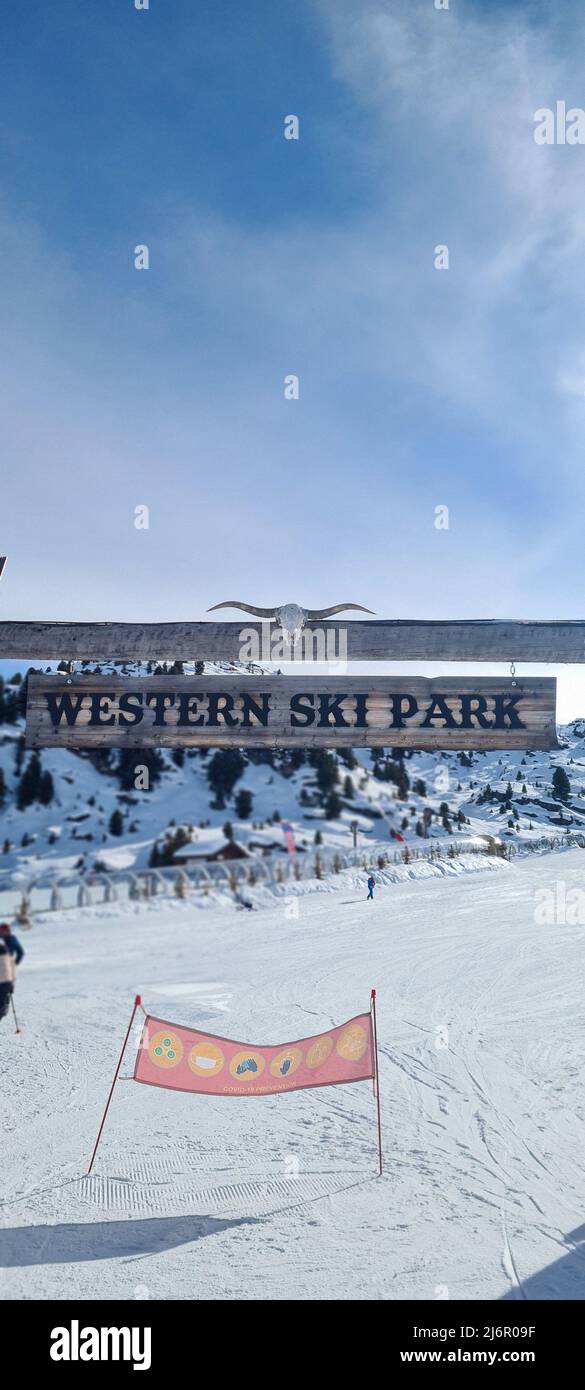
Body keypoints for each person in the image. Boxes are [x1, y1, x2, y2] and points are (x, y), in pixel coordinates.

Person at [0, 922, 24, 1023]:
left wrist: (16, 962)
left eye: (3, 931)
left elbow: (20, 952)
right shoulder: (3, 939)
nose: (1, 933)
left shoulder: (12, 939)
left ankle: (3, 1008)